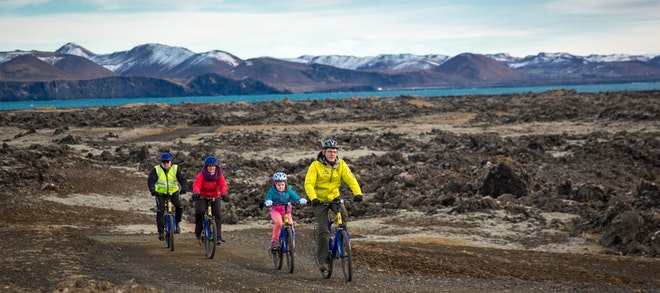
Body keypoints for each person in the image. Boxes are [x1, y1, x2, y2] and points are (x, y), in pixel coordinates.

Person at [304, 139, 363, 273]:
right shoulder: (315, 165)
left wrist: (358, 193)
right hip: (319, 200)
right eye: (330, 151)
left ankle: (343, 242)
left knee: (343, 216)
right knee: (323, 231)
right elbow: (309, 183)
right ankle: (323, 261)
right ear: (324, 152)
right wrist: (313, 198)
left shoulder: (341, 164)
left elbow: (350, 178)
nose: (332, 154)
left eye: (335, 152)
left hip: (334, 197)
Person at [147, 152, 187, 241]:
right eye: (164, 162)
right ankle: (161, 232)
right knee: (160, 210)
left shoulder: (175, 168)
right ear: (161, 162)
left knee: (179, 207)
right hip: (160, 193)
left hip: (173, 192)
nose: (165, 164)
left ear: (171, 162)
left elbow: (182, 179)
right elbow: (150, 181)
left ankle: (176, 223)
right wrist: (152, 190)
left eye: (167, 162)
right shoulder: (156, 170)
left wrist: (184, 188)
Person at [263, 172, 307, 250]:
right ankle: (274, 242)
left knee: (291, 226)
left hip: (286, 211)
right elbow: (268, 198)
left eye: (282, 185)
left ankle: (290, 244)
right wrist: (268, 201)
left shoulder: (288, 190)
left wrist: (299, 200)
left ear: (285, 184)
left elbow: (294, 196)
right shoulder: (272, 191)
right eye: (278, 185)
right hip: (275, 210)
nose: (280, 187)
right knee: (279, 223)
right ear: (275, 184)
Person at [191, 156, 229, 244]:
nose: (211, 168)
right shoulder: (202, 175)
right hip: (202, 196)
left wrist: (223, 194)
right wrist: (196, 193)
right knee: (200, 211)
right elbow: (197, 184)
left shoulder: (219, 175)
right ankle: (198, 230)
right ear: (206, 167)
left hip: (214, 196)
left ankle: (218, 236)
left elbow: (223, 185)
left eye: (213, 166)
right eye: (209, 166)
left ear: (216, 167)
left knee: (218, 215)